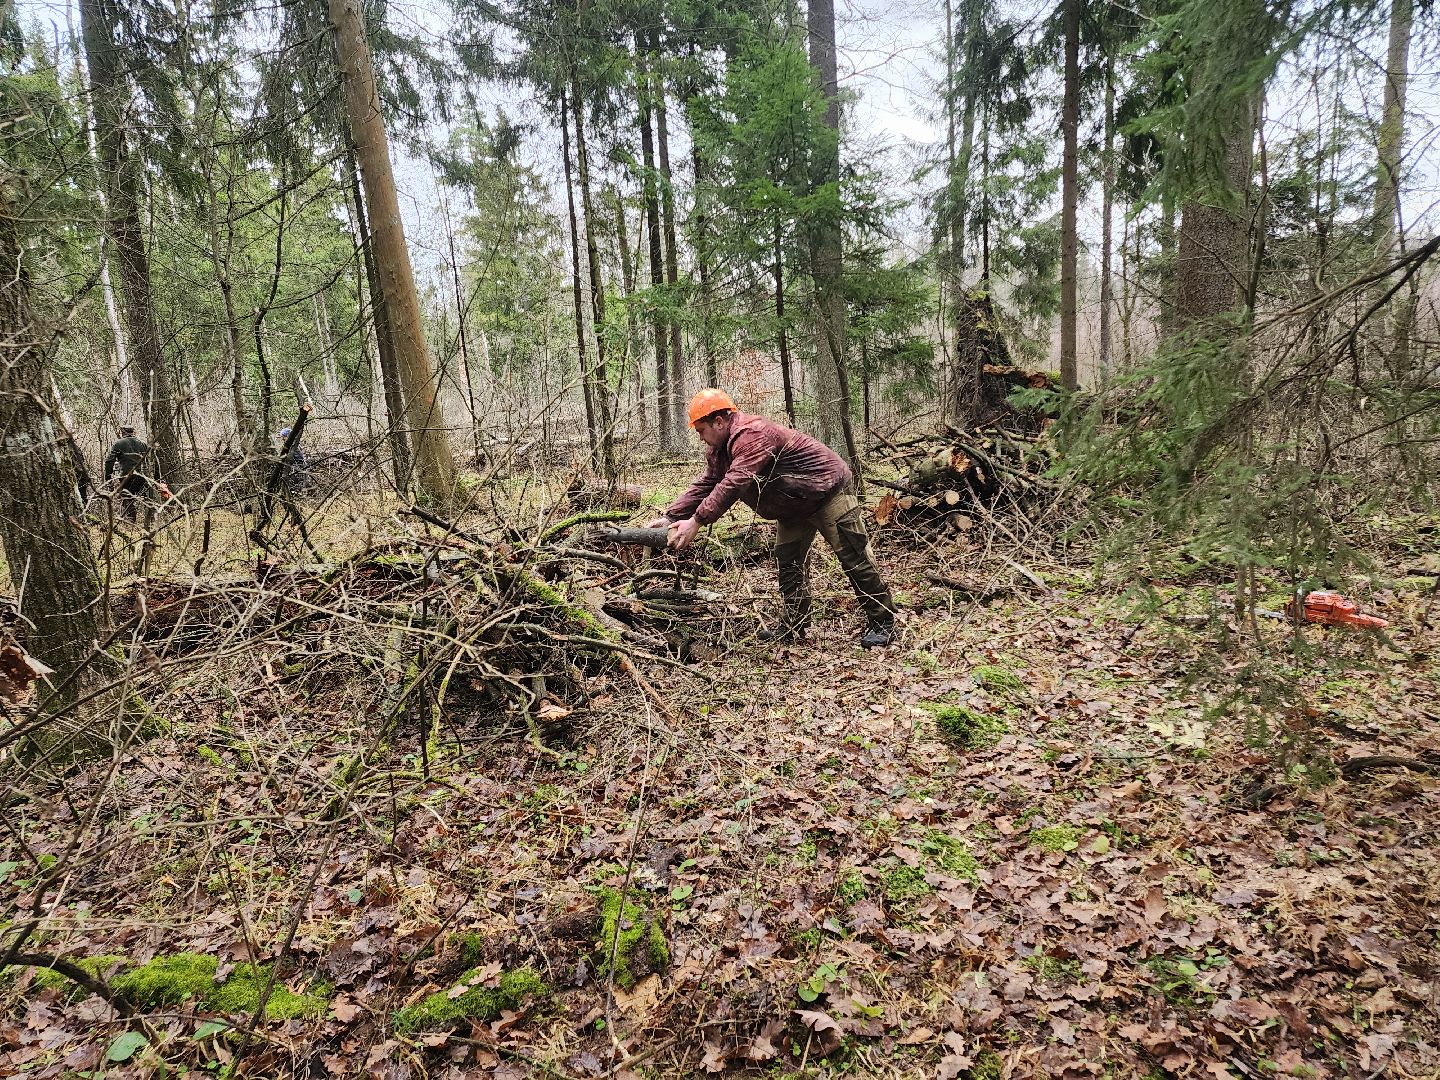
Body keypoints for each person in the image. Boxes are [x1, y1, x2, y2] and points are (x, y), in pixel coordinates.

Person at [646, 388, 897, 648]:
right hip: (792, 505)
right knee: (789, 561)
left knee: (852, 555)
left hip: (827, 491)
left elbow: (734, 483)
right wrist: (672, 516)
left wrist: (697, 521)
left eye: (701, 430)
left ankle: (883, 621)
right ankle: (794, 625)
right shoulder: (719, 451)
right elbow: (708, 483)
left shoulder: (752, 434)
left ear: (718, 422)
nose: (700, 438)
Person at [104, 425, 151, 522]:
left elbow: (109, 461)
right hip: (141, 476)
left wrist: (108, 478)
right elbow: (149, 461)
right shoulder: (143, 444)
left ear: (123, 432)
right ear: (133, 432)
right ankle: (150, 521)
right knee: (147, 499)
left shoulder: (118, 444)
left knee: (127, 499)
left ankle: (131, 523)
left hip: (126, 477)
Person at [276, 427, 311, 493]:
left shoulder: (294, 445)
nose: (282, 439)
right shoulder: (291, 444)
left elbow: (298, 458)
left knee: (297, 482)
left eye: (284, 437)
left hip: (298, 466)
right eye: (282, 437)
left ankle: (297, 492)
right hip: (295, 467)